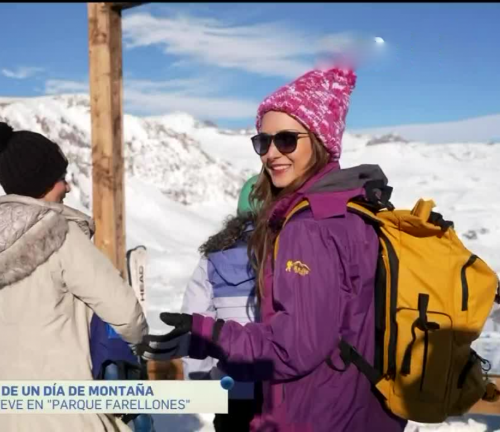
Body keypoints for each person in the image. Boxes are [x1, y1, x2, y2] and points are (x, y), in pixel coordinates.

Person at [140, 67, 407, 431]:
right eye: (262, 142)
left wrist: (210, 335)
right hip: (359, 411)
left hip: (315, 416)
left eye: (286, 140)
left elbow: (293, 348)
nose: (270, 153)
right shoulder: (354, 211)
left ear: (321, 138)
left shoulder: (309, 227)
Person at [0, 122, 148, 432]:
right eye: (61, 179)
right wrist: (136, 352)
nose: (68, 187)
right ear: (42, 182)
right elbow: (126, 315)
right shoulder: (59, 235)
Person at [180, 175, 260, 432]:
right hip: (283, 387)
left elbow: (196, 322)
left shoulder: (213, 258)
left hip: (231, 386)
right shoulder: (293, 253)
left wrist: (200, 382)